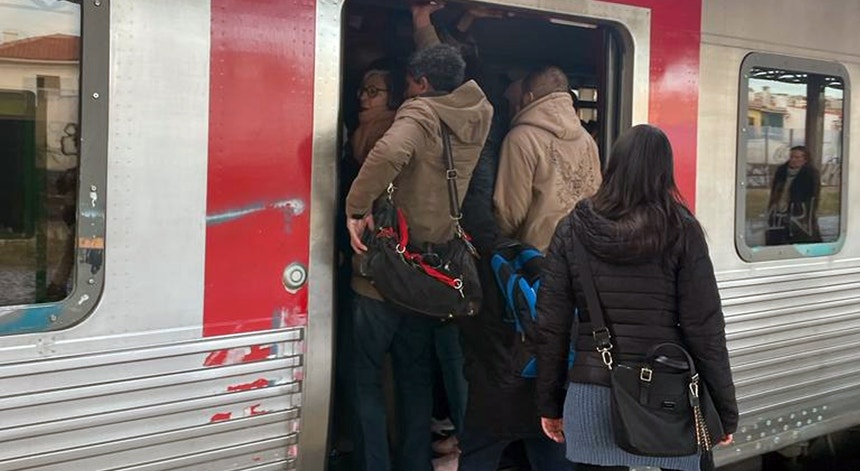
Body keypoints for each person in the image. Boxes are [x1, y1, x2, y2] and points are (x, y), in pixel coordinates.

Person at [536, 125, 738, 471]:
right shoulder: (682, 229)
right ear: (664, 171)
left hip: (593, 394)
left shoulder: (573, 228)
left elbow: (550, 327)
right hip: (670, 399)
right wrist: (723, 409)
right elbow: (704, 327)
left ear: (612, 166)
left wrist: (550, 404)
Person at [345, 43, 493, 471]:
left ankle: (374, 464)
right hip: (428, 273)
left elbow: (390, 153)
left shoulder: (419, 114)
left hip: (386, 270)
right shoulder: (477, 114)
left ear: (422, 83)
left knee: (366, 376)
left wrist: (356, 210)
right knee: (414, 376)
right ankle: (414, 463)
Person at [331, 67, 400, 464]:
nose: (364, 96)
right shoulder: (363, 133)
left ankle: (370, 457)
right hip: (365, 266)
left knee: (364, 374)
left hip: (371, 273)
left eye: (374, 90)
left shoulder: (386, 139)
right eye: (362, 88)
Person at [494, 65, 602, 252]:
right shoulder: (587, 139)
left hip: (540, 257)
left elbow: (510, 213)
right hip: (585, 251)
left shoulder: (520, 138)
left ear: (528, 98)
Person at [765, 145, 821, 245]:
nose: (793, 160)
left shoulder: (810, 173)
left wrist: (806, 212)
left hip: (799, 213)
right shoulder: (782, 171)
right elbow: (775, 191)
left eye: (797, 157)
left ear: (805, 159)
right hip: (779, 211)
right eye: (791, 157)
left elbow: (813, 196)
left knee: (801, 239)